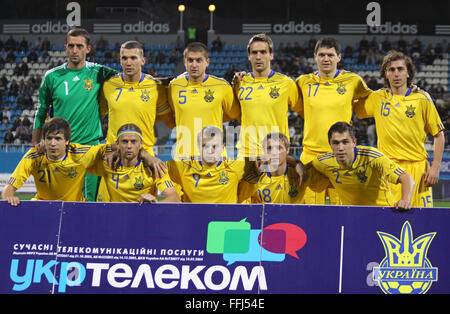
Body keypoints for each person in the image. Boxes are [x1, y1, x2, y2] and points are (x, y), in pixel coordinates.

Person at [32, 28, 118, 202]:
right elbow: (41, 111)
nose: (74, 50)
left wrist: (155, 82)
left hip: (90, 149)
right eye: (71, 46)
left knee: (88, 203)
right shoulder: (52, 76)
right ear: (65, 48)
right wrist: (36, 142)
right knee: (60, 200)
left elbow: (128, 78)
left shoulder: (99, 73)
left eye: (79, 46)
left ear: (88, 49)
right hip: (61, 150)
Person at [354, 51, 445, 207]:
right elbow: (351, 105)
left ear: (408, 73)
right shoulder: (378, 97)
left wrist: (435, 167)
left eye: (400, 69)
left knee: (422, 222)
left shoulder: (422, 98)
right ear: (386, 74)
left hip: (418, 169)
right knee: (388, 222)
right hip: (389, 170)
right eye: (391, 70)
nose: (396, 73)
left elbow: (439, 135)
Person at [295, 37, 373, 205]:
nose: (326, 59)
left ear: (339, 57)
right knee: (311, 214)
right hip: (311, 157)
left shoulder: (353, 81)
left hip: (341, 155)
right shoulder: (303, 82)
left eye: (330, 55)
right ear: (315, 56)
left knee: (343, 213)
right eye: (321, 55)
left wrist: (410, 88)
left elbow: (374, 98)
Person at [307, 122, 414, 209]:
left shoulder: (371, 156)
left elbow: (406, 177)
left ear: (354, 142)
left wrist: (405, 200)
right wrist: (294, 162)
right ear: (330, 144)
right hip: (353, 216)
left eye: (345, 142)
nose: (340, 148)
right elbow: (301, 169)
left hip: (382, 211)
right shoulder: (323, 162)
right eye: (335, 143)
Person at [2, 117, 104, 206]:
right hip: (44, 207)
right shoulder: (34, 156)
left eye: (58, 139)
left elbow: (106, 149)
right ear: (44, 140)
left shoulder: (79, 153)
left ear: (67, 141)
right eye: (49, 138)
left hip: (75, 207)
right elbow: (10, 186)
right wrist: (8, 197)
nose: (52, 143)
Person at [99, 40, 174, 156]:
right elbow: (98, 116)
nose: (128, 63)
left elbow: (168, 119)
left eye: (133, 58)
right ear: (120, 61)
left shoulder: (156, 87)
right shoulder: (108, 85)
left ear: (143, 61)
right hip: (113, 155)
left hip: (145, 155)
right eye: (124, 58)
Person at [167, 42, 240, 159]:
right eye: (190, 60)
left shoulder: (221, 86)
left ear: (207, 62)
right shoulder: (174, 86)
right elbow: (173, 112)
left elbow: (234, 114)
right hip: (184, 157)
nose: (194, 65)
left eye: (199, 60)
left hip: (214, 156)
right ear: (185, 62)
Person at [233, 33, 300, 160]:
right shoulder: (240, 82)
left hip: (275, 153)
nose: (258, 57)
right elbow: (236, 113)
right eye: (254, 52)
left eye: (263, 52)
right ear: (249, 56)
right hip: (246, 154)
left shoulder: (286, 84)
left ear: (271, 55)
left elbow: (303, 110)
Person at [87, 124, 180, 203]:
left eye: (133, 141)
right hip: (117, 218)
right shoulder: (107, 164)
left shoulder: (154, 167)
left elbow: (174, 198)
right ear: (117, 144)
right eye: (124, 142)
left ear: (141, 144)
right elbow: (79, 162)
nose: (129, 146)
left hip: (144, 218)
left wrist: (153, 203)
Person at [166, 126, 258, 203]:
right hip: (193, 222)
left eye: (215, 146)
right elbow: (156, 167)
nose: (210, 151)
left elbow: (265, 160)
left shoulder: (235, 166)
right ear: (198, 147)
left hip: (225, 222)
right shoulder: (184, 167)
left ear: (223, 147)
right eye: (205, 146)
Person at [246, 132, 305, 204]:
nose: (274, 152)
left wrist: (298, 163)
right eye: (270, 148)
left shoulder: (300, 175)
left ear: (287, 150)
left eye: (279, 148)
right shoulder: (253, 181)